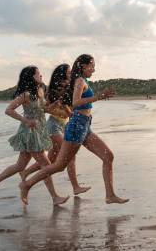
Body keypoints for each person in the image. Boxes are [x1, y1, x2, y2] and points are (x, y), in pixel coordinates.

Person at [18, 54, 128, 205]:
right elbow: (76, 102)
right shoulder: (80, 81)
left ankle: (110, 195)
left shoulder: (83, 80)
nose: (94, 69)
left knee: (108, 156)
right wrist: (98, 97)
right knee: (58, 166)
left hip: (85, 126)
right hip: (77, 126)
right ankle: (26, 184)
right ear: (83, 66)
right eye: (92, 66)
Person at [0, 66, 68, 206]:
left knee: (20, 165)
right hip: (29, 133)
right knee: (46, 165)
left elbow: (43, 109)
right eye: (38, 74)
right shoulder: (25, 95)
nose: (41, 75)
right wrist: (25, 120)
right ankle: (54, 197)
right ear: (32, 77)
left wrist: (53, 105)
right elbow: (9, 110)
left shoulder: (41, 90)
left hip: (39, 130)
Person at [20, 64, 91, 195]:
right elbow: (46, 109)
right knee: (70, 156)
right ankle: (75, 187)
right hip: (54, 126)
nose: (72, 73)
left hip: (65, 126)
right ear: (62, 74)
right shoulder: (54, 90)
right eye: (69, 72)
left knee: (51, 160)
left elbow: (70, 108)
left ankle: (26, 172)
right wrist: (66, 110)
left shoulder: (71, 86)